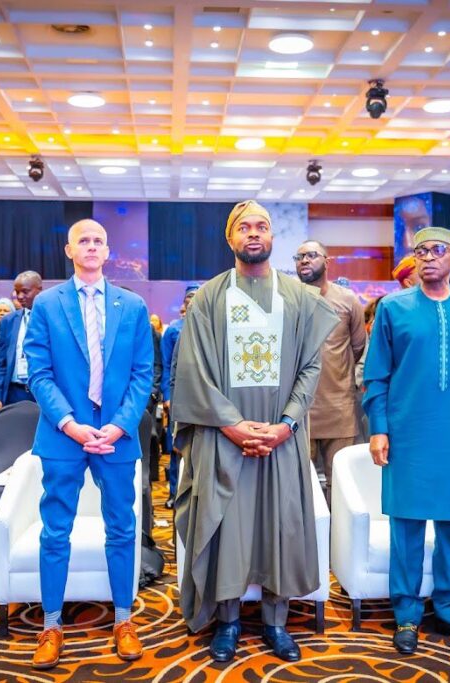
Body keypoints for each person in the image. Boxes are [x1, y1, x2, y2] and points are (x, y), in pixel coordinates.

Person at [172, 200, 338, 663]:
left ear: (272, 237)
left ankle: (275, 622)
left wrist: (286, 424)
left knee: (278, 524)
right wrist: (231, 425)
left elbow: (311, 368)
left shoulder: (300, 298)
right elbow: (193, 371)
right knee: (227, 524)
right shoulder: (209, 297)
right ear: (230, 237)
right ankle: (227, 621)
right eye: (243, 227)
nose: (253, 233)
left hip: (281, 437)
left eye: (261, 226)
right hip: (222, 435)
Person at [363, 227, 450, 656]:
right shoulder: (393, 308)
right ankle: (406, 613)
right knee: (406, 525)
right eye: (420, 251)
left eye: (437, 250)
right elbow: (376, 375)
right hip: (406, 434)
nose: (427, 257)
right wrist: (379, 428)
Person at [25, 219, 153, 668]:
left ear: (108, 250)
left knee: (122, 528)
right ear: (69, 250)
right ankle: (51, 625)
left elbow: (143, 374)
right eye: (84, 240)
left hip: (116, 436)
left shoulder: (132, 305)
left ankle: (124, 620)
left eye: (99, 240)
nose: (92, 246)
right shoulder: (47, 304)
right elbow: (39, 373)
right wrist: (69, 423)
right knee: (54, 530)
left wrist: (119, 425)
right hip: (63, 435)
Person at [294, 239, 366, 495]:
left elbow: (358, 347)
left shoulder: (348, 300)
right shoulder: (288, 299)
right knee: (299, 486)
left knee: (342, 485)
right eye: (299, 257)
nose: (304, 260)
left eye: (312, 255)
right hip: (298, 408)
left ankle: (339, 525)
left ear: (327, 262)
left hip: (339, 406)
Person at [160, 285, 198, 509]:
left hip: (203, 401)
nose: (192, 302)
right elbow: (167, 366)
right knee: (177, 448)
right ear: (184, 303)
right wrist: (167, 396)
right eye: (189, 299)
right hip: (178, 399)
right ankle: (174, 493)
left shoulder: (211, 327)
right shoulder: (174, 330)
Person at [0, 272, 43, 413]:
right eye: (17, 292)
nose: (20, 296)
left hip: (42, 393)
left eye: (25, 292)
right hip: (14, 393)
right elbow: (1, 362)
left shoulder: (53, 319)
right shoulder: (9, 321)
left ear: (39, 290)